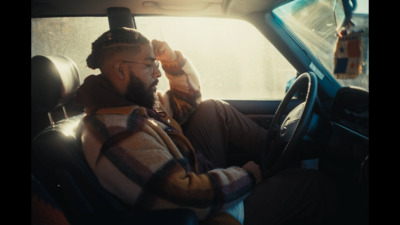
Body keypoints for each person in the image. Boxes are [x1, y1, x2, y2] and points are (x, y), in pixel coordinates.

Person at [74, 27, 337, 225]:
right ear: (121, 69)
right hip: (206, 215)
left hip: (193, 171)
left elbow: (189, 99)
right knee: (313, 186)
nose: (157, 73)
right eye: (150, 64)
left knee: (212, 109)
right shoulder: (116, 133)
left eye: (156, 64)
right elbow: (186, 198)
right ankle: (292, 168)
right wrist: (246, 177)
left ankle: (283, 158)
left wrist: (171, 59)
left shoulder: (132, 105)